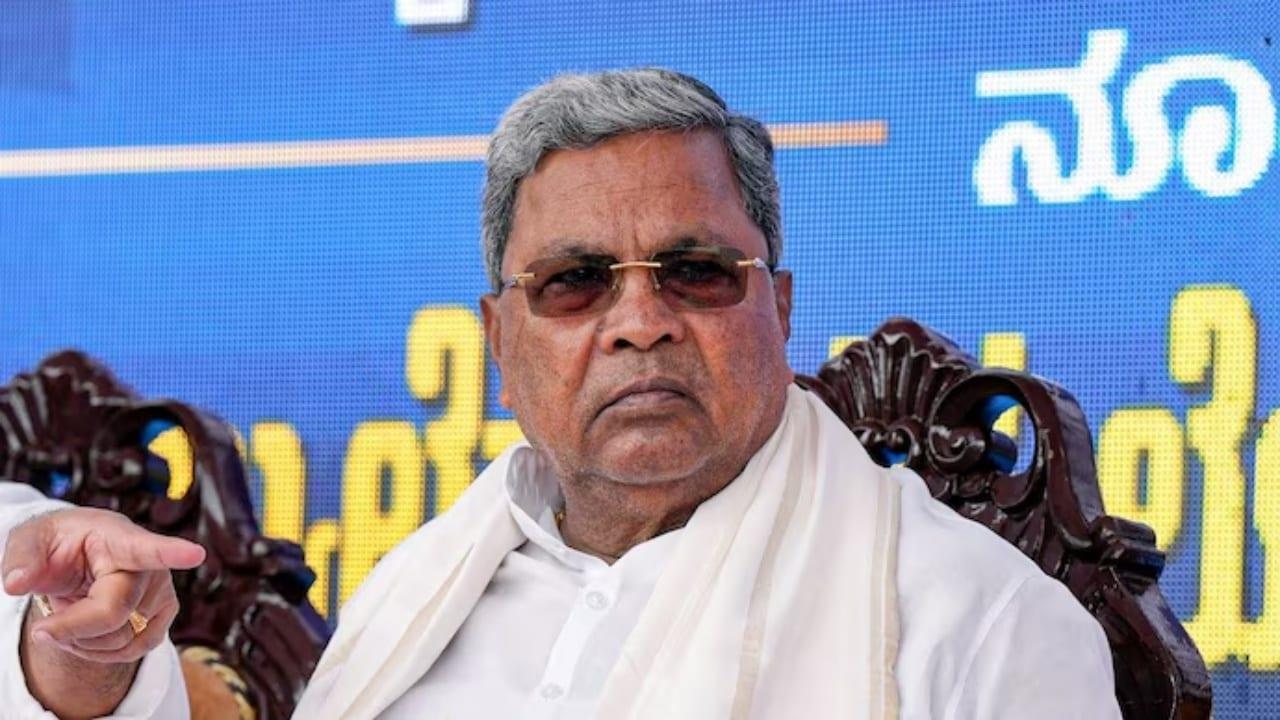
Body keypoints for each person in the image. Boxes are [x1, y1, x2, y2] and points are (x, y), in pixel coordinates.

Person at [0, 68, 1121, 719]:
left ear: (779, 307)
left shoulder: (977, 627)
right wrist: (85, 666)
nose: (639, 320)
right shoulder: (421, 593)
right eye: (575, 282)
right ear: (501, 341)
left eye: (694, 270)